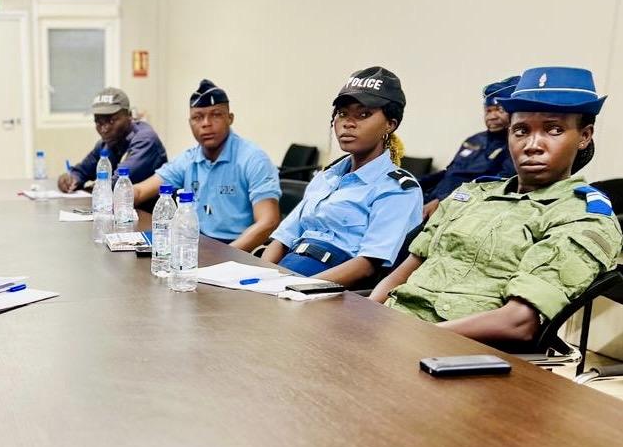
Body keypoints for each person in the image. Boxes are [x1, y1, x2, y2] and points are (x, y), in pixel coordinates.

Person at [373, 67, 622, 346]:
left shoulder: (582, 217)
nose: (533, 145)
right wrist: (366, 317)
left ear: (584, 136)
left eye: (554, 130)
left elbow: (519, 322)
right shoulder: (470, 195)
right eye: (521, 131)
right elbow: (404, 271)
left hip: (454, 353)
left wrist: (408, 338)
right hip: (392, 330)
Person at [260, 67, 422, 287]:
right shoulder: (326, 177)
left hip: (332, 290)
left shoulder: (397, 188)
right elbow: (282, 240)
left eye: (363, 114)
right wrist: (263, 278)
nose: (348, 123)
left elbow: (367, 265)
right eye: (342, 113)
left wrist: (294, 288)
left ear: (390, 124)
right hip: (285, 275)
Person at [132, 79, 281, 252]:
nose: (206, 123)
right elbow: (140, 191)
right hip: (194, 244)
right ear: (190, 123)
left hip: (237, 247)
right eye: (197, 117)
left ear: (230, 118)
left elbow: (268, 221)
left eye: (215, 115)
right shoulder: (188, 159)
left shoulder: (253, 159)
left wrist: (227, 255)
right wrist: (116, 198)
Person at [420, 75, 520, 219]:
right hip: (432, 199)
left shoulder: (514, 145)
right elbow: (449, 172)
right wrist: (415, 184)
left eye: (499, 110)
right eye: (488, 111)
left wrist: (442, 201)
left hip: (460, 208)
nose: (492, 116)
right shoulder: (474, 139)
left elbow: (495, 185)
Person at [57, 87, 167, 193]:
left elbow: (119, 180)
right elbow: (82, 171)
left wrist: (95, 187)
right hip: (119, 204)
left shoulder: (145, 139)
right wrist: (70, 179)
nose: (104, 129)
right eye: (98, 122)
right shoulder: (106, 143)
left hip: (152, 205)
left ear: (129, 115)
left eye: (111, 121)